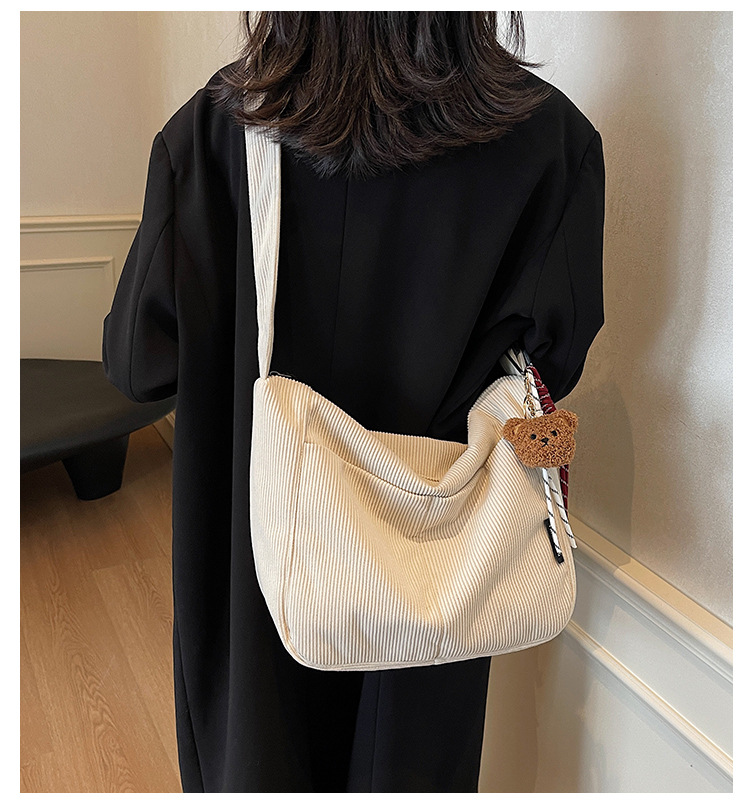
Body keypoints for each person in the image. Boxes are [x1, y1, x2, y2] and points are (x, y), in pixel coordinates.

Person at [102, 11, 605, 793]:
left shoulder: (216, 133)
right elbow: (554, 364)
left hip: (253, 587)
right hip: (440, 565)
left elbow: (138, 365)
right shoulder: (552, 141)